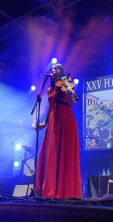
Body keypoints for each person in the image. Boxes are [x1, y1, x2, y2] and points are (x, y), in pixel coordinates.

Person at [35, 63, 82, 199]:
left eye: (55, 69)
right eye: (51, 69)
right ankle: (50, 191)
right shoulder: (50, 89)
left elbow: (72, 104)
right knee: (51, 154)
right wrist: (44, 123)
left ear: (61, 71)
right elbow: (50, 107)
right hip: (52, 121)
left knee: (64, 154)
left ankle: (64, 192)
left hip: (66, 119)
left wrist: (68, 95)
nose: (53, 70)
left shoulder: (69, 84)